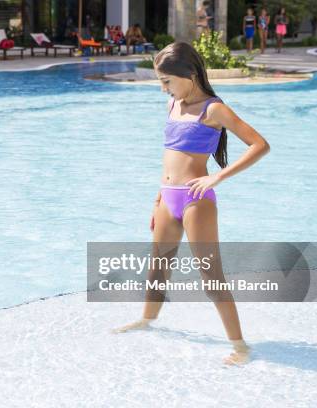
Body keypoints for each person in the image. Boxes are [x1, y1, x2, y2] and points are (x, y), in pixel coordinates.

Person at [112, 42, 270, 366]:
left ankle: (240, 346)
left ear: (189, 74)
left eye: (167, 81)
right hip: (166, 200)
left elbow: (260, 144)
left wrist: (218, 177)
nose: (163, 89)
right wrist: (158, 196)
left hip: (196, 201)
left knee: (211, 277)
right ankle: (147, 320)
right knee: (158, 268)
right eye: (161, 82)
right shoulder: (173, 106)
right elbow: (169, 156)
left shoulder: (213, 109)